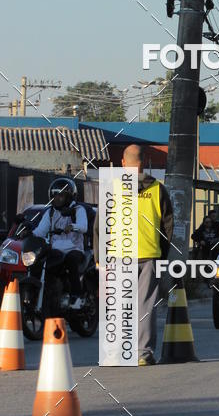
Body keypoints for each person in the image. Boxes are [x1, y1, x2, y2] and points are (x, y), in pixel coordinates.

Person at [93, 145, 173, 365]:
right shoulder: (158, 189)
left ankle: (113, 354)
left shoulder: (112, 188)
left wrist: (100, 257)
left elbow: (101, 225)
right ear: (144, 162)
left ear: (123, 163)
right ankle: (142, 354)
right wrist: (161, 255)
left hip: (119, 256)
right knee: (145, 306)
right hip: (149, 256)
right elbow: (168, 226)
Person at [34, 177, 88, 308]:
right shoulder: (50, 212)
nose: (57, 198)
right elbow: (40, 231)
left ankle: (76, 296)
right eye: (55, 195)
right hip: (56, 249)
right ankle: (51, 293)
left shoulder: (78, 209)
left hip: (75, 248)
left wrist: (73, 226)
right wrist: (29, 234)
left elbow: (84, 226)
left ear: (69, 196)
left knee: (71, 260)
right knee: (44, 263)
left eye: (61, 195)